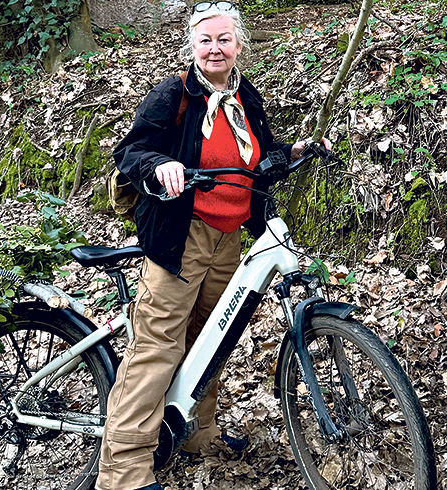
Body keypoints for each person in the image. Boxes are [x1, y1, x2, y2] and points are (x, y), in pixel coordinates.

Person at [98, 2, 331, 489]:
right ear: (193, 46)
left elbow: (260, 153)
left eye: (224, 39)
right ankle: (123, 474)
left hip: (228, 238)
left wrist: (296, 151)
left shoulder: (244, 94)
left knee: (210, 338)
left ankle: (198, 435)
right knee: (157, 348)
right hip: (181, 237)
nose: (214, 48)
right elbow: (132, 151)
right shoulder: (175, 94)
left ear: (239, 44)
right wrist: (160, 165)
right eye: (205, 39)